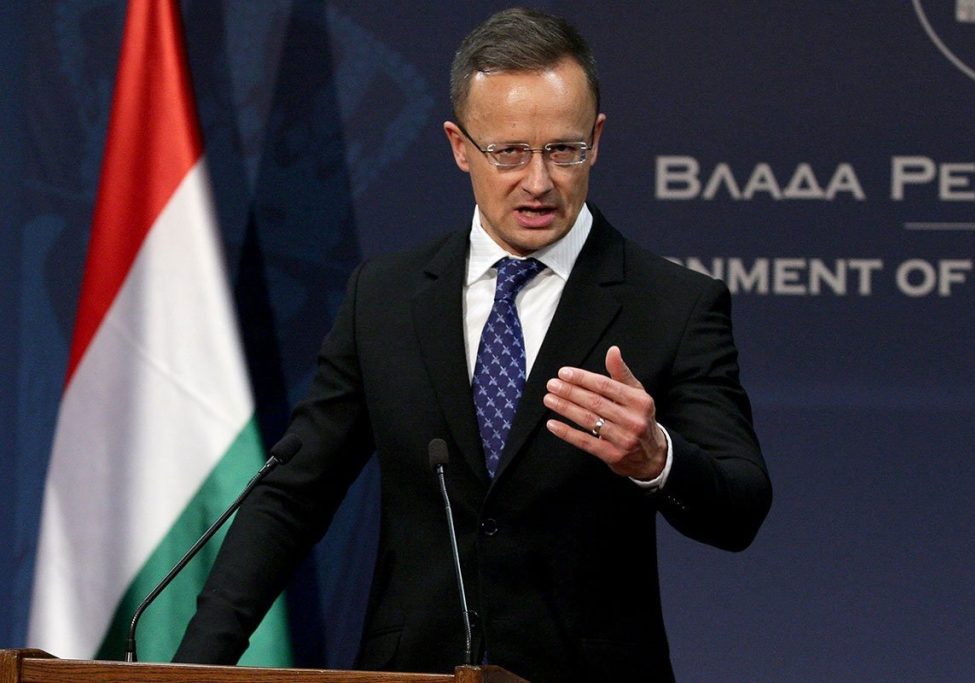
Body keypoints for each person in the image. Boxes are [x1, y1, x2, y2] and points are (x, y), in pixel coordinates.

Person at [174, 7, 771, 682]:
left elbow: (741, 506)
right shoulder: (385, 298)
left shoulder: (672, 305)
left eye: (564, 150)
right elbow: (292, 495)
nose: (539, 181)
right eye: (509, 152)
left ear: (597, 140)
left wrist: (656, 457)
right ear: (460, 146)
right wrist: (194, 669)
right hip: (413, 673)